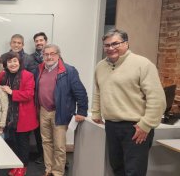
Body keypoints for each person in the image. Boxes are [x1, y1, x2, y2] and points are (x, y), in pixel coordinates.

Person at [91, 29, 166, 176]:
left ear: (126, 43)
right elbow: (98, 91)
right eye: (107, 45)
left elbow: (157, 98)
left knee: (134, 171)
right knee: (117, 168)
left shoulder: (143, 64)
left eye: (115, 44)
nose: (110, 48)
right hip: (111, 126)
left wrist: (146, 125)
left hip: (135, 127)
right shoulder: (100, 66)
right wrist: (96, 111)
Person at [35, 44, 88, 176]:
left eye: (52, 54)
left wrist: (82, 111)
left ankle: (57, 172)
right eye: (46, 54)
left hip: (60, 111)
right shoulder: (40, 69)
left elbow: (80, 92)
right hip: (43, 111)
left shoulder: (69, 71)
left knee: (59, 145)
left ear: (58, 55)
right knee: (46, 142)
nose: (49, 57)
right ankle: (48, 169)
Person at [0, 52, 38, 176]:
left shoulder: (28, 75)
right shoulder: (2, 75)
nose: (12, 64)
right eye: (9, 62)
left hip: (23, 116)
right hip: (8, 116)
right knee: (13, 142)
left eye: (15, 61)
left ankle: (23, 167)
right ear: (6, 64)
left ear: (19, 62)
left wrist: (11, 92)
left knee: (23, 143)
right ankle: (16, 165)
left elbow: (29, 95)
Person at [30, 32, 48, 164]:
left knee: (54, 132)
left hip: (50, 99)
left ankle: (58, 160)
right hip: (36, 98)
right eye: (36, 41)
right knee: (38, 129)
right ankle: (42, 155)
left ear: (46, 41)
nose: (39, 42)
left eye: (41, 40)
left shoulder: (54, 56)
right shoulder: (30, 59)